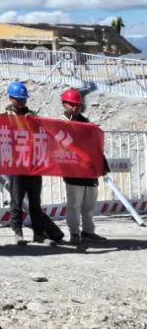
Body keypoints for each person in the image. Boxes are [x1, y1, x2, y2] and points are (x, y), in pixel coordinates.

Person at [6, 81, 64, 246]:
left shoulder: (32, 114)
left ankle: (39, 233)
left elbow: (43, 133)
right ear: (11, 98)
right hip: (16, 164)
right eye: (18, 99)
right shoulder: (4, 117)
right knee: (16, 200)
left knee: (35, 202)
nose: (21, 102)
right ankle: (17, 232)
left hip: (34, 164)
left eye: (23, 99)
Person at [60, 88, 108, 245]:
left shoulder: (86, 123)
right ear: (64, 104)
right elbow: (59, 144)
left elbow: (94, 145)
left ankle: (88, 231)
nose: (75, 107)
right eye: (72, 104)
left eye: (77, 104)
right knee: (74, 204)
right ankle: (74, 233)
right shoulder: (60, 123)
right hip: (73, 170)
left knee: (89, 204)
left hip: (88, 170)